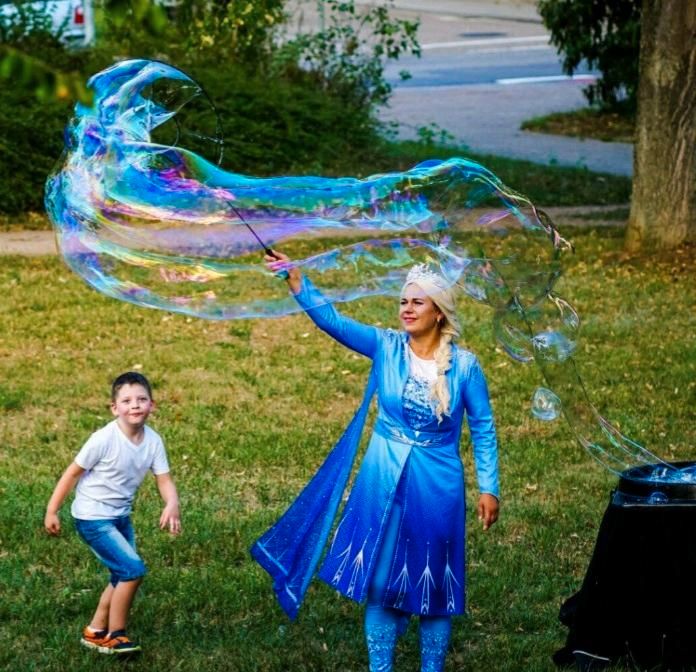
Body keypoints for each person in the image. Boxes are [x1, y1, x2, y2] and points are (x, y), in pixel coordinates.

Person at [252, 253, 499, 672]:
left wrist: (488, 486)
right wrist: (298, 282)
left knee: (434, 586)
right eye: (403, 301)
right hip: (383, 478)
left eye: (417, 302)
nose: (406, 308)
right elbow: (335, 323)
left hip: (438, 484)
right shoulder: (386, 347)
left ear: (439, 312)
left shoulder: (466, 367)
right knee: (381, 582)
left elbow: (483, 426)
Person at [44, 371, 181, 655]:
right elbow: (72, 474)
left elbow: (164, 479)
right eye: (127, 400)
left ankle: (95, 631)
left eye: (142, 399)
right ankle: (116, 635)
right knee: (132, 570)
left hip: (120, 516)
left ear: (152, 405)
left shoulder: (153, 441)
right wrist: (52, 510)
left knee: (122, 573)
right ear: (114, 408)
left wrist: (171, 503)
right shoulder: (103, 439)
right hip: (92, 517)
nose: (135, 405)